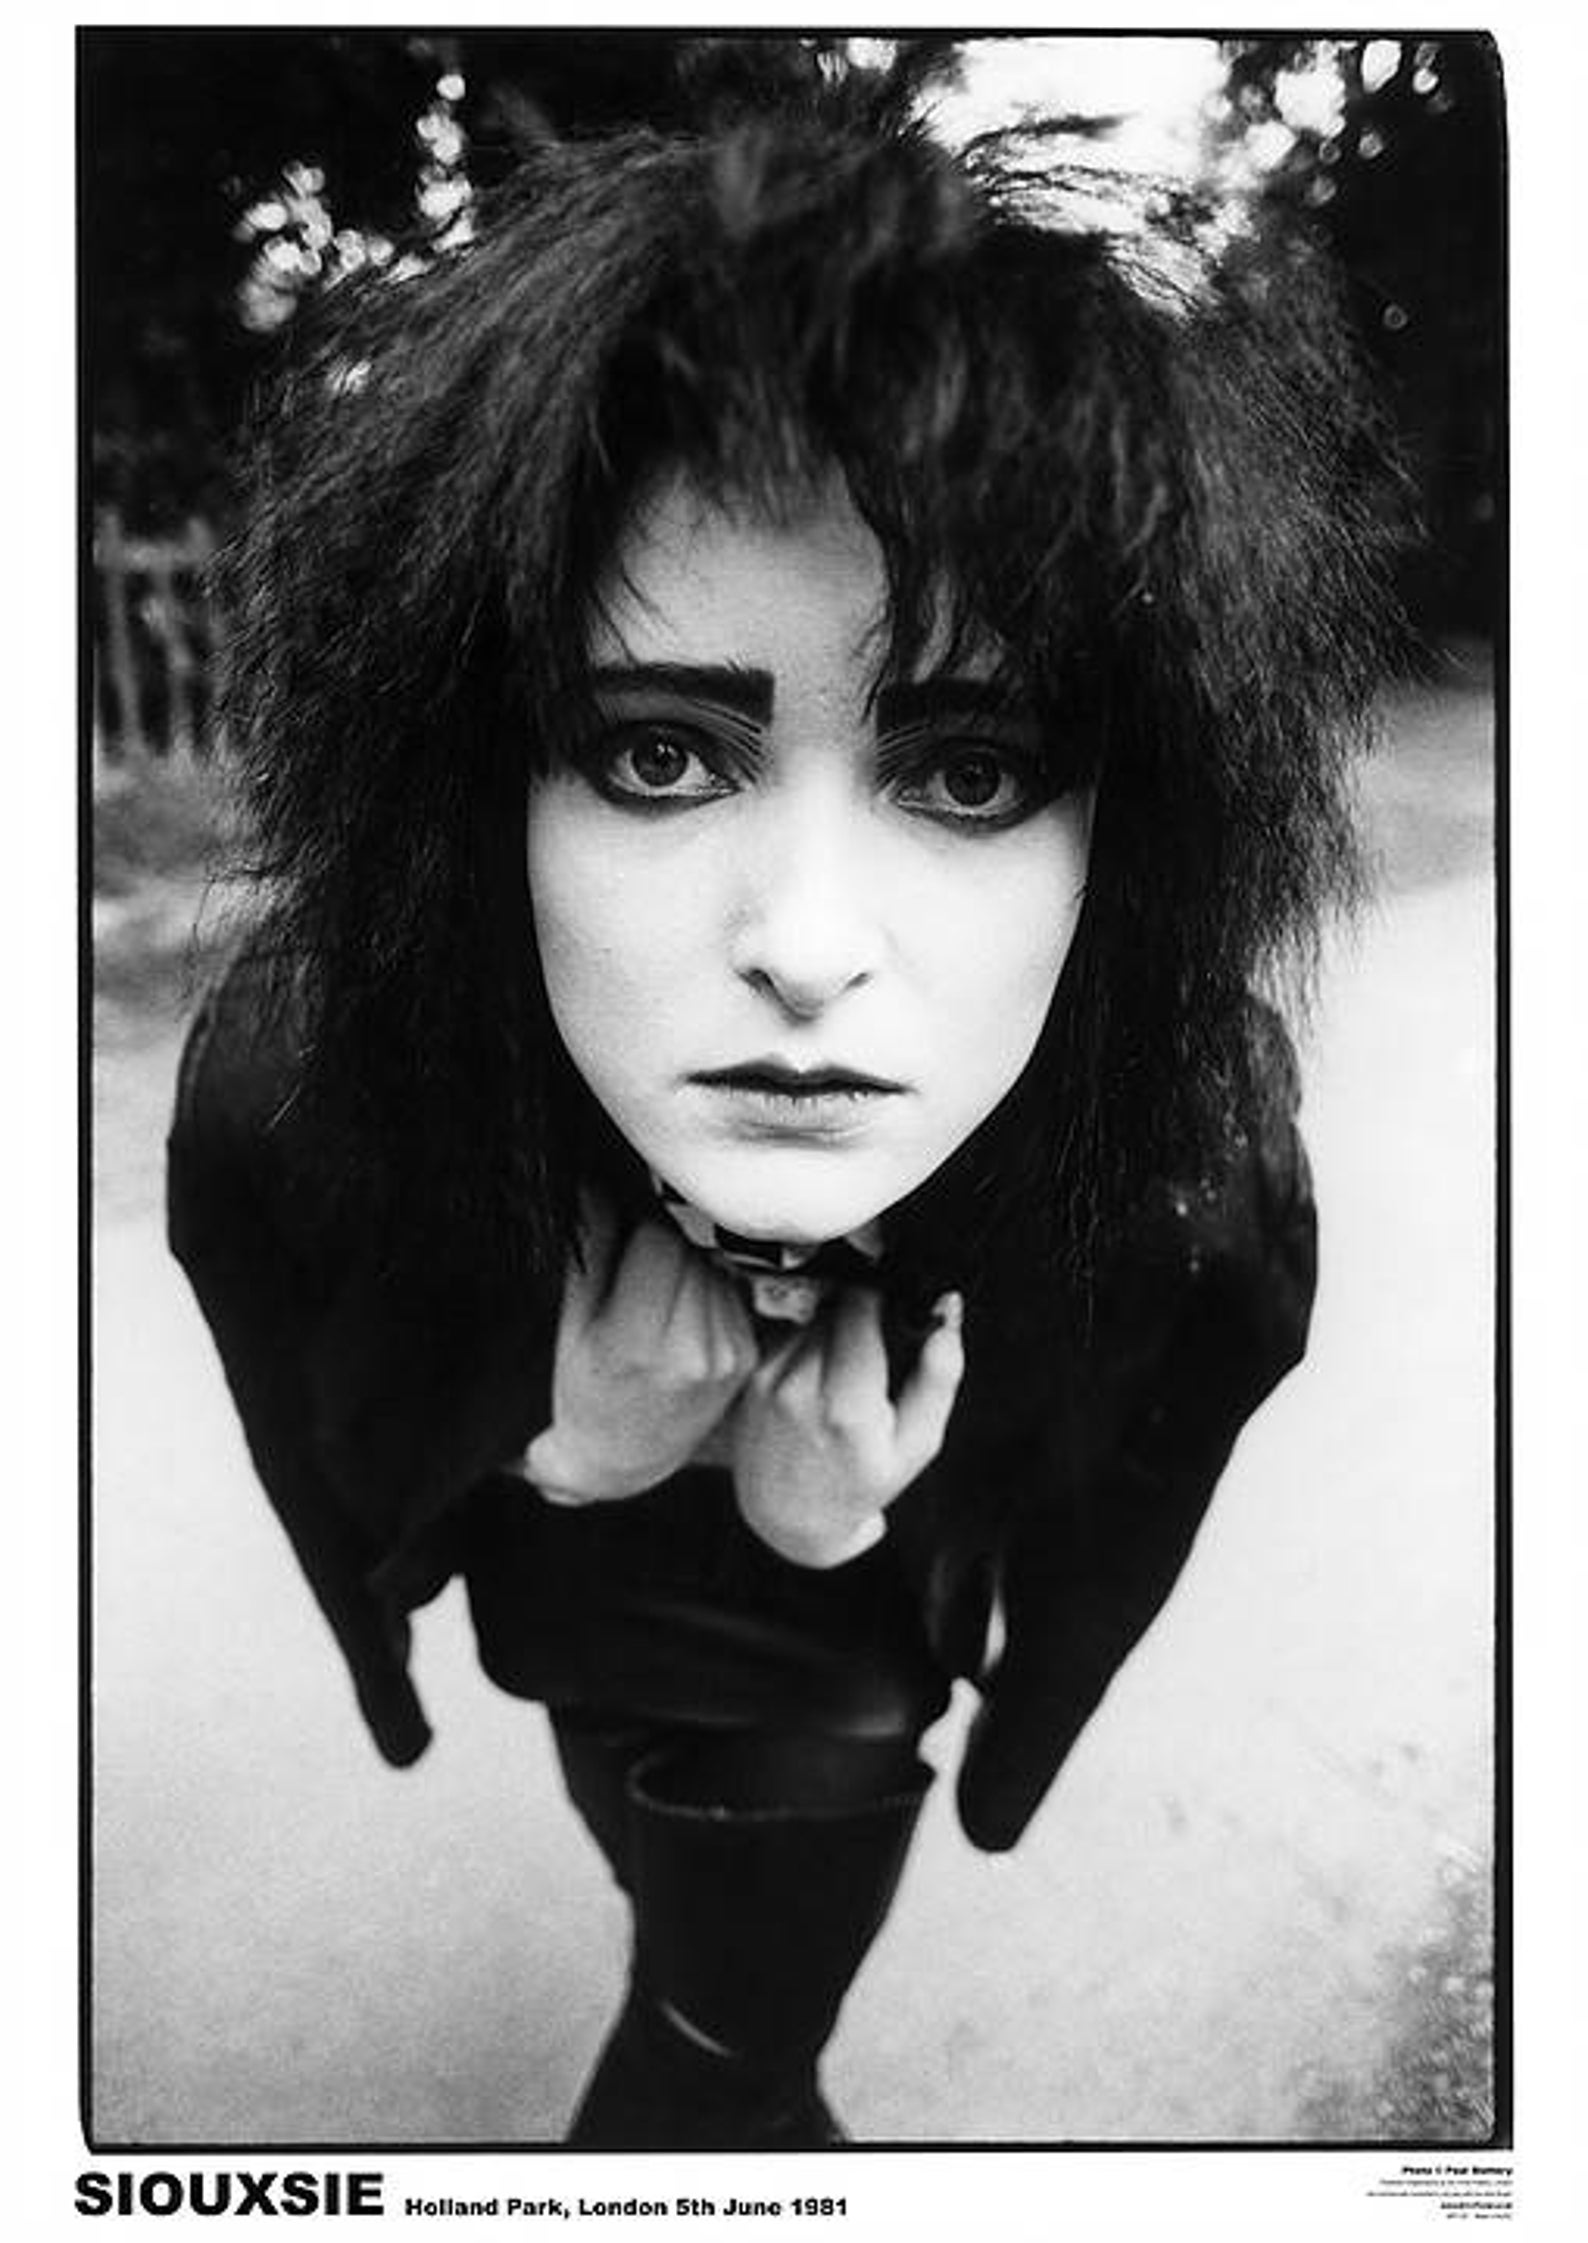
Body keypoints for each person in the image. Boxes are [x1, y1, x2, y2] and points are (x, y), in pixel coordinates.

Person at [167, 39, 1401, 2147]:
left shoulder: (1190, 1162)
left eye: (971, 771)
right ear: (475, 793)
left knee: (724, 2056)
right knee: (688, 1950)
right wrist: (561, 1451)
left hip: (860, 1668)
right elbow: (320, 1449)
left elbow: (1122, 1510)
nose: (808, 944)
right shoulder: (308, 1086)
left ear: (1126, 837)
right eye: (659, 753)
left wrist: (876, 1548)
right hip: (570, 1620)